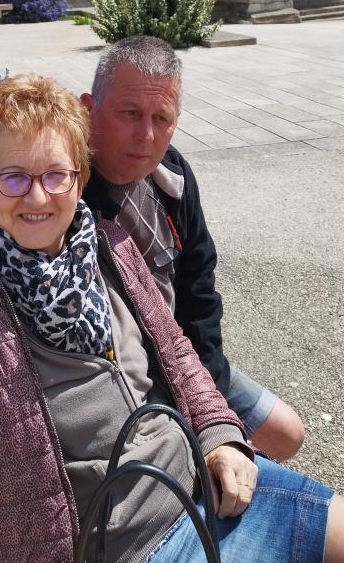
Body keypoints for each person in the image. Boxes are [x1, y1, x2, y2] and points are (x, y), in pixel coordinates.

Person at [0, 74, 344, 563]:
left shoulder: (110, 245)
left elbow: (179, 352)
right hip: (115, 547)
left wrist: (219, 437)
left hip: (201, 493)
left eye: (55, 174)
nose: (37, 196)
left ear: (79, 179)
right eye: (12, 178)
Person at [81, 35, 304, 461]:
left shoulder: (173, 176)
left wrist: (209, 395)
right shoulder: (64, 190)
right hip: (122, 385)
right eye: (129, 113)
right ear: (88, 107)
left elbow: (199, 289)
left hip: (186, 361)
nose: (145, 135)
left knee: (287, 434)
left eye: (161, 118)